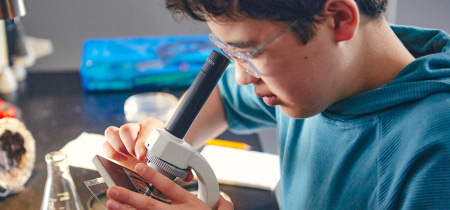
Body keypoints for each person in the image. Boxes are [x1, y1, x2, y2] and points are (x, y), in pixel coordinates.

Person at [101, 0, 450, 209]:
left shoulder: (436, 156)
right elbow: (224, 97)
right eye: (229, 54)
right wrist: (167, 144)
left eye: (250, 53)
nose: (241, 77)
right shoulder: (327, 77)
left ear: (339, 19)